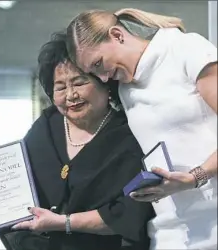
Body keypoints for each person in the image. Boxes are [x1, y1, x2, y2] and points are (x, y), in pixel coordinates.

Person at [65, 8, 217, 250]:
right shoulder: (125, 90)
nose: (103, 78)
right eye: (93, 73)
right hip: (171, 232)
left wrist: (195, 177)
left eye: (98, 64)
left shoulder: (184, 48)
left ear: (117, 35)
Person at [0, 31, 154, 250]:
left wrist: (65, 223)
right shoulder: (47, 125)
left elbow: (130, 214)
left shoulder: (129, 135)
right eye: (60, 87)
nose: (70, 95)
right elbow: (15, 184)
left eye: (79, 83)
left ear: (105, 83)